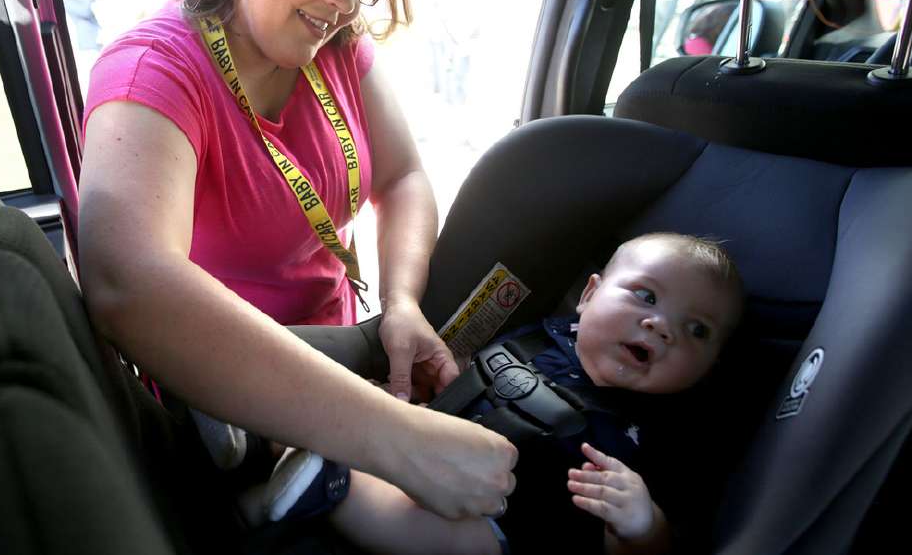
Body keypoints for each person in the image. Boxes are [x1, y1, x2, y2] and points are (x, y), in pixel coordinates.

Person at [77, 0, 516, 522]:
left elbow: (403, 178)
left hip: (349, 360)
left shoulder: (337, 49)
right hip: (235, 401)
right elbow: (127, 280)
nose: (342, 3)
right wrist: (399, 441)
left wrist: (399, 305)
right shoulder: (156, 71)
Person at [243, 233, 746, 555]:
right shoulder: (537, 336)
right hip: (425, 445)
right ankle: (258, 433)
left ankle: (326, 483)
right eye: (647, 296)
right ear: (589, 295)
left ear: (711, 366)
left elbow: (663, 547)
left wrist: (642, 524)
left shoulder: (664, 432)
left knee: (467, 543)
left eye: (696, 330)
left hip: (507, 521)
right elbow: (457, 382)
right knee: (362, 399)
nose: (661, 327)